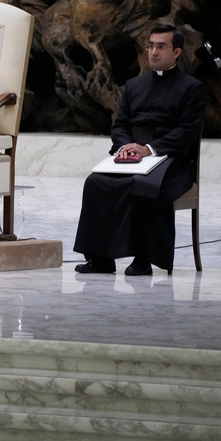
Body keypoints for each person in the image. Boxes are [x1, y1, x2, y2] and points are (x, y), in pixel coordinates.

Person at [73, 24, 206, 275]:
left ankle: (142, 260)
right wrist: (125, 148)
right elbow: (120, 124)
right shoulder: (134, 85)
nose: (153, 52)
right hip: (131, 154)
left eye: (161, 47)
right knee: (96, 183)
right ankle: (100, 259)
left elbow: (187, 132)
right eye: (151, 46)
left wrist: (149, 149)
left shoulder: (192, 88)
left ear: (177, 52)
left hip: (171, 159)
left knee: (144, 187)